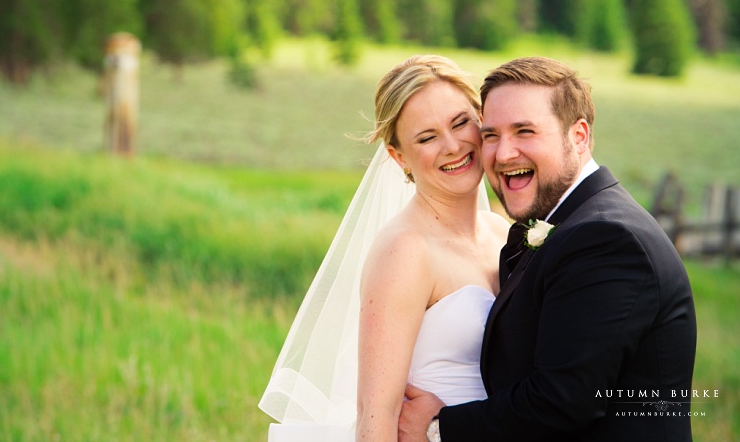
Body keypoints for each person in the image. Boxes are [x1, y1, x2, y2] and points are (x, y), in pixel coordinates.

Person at [399, 56, 698, 442]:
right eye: (491, 135)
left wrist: (440, 427)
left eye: (524, 131)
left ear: (579, 136)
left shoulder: (607, 239)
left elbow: (563, 400)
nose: (503, 154)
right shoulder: (566, 223)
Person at [259, 55, 509, 441]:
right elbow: (375, 416)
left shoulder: (503, 232)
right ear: (399, 157)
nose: (452, 145)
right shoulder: (406, 251)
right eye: (426, 138)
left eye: (461, 122)